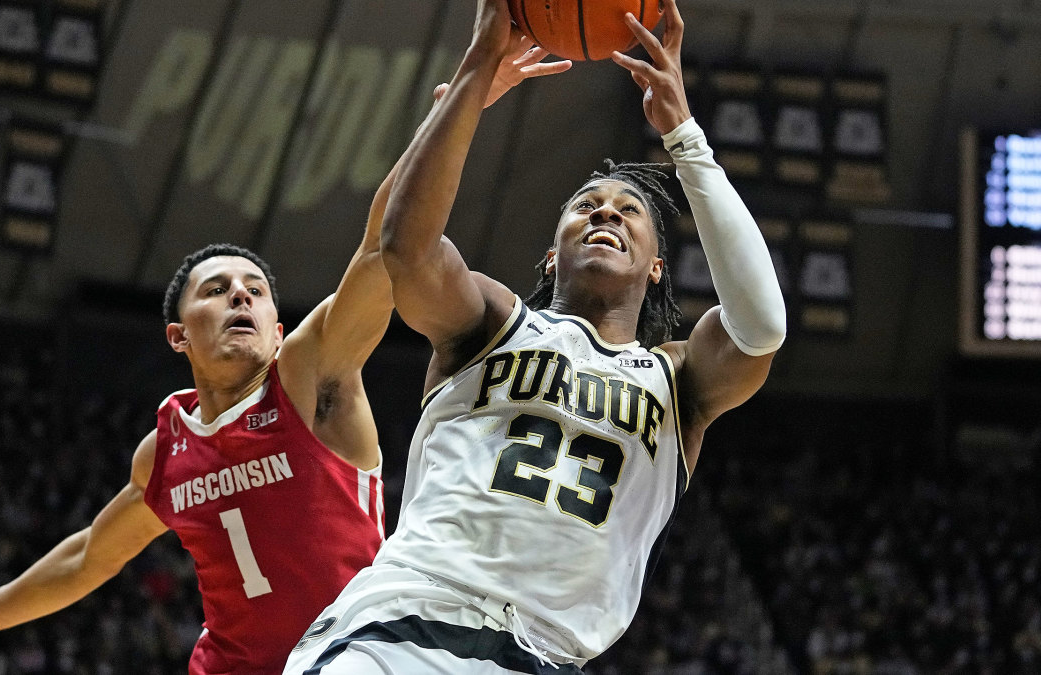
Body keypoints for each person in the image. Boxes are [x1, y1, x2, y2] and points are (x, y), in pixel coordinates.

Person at [0, 41, 571, 675]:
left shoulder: (311, 376)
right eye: (216, 291)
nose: (240, 298)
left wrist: (457, 107)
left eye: (255, 291)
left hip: (350, 660)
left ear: (279, 330)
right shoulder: (166, 448)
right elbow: (87, 556)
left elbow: (382, 245)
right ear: (178, 335)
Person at [283, 0, 786, 673]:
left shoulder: (680, 383)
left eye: (628, 210)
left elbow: (762, 326)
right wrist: (474, 72)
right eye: (585, 206)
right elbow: (404, 248)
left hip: (544, 656)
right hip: (406, 623)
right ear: (552, 255)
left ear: (656, 264)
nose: (605, 209)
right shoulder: (491, 321)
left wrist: (686, 138)